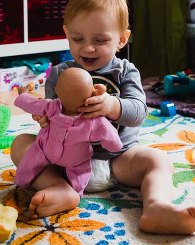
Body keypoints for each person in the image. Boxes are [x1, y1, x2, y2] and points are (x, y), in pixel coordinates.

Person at [10, 0, 195, 234]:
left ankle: (157, 207)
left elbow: (138, 113)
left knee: (159, 160)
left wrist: (111, 105)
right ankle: (60, 188)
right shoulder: (59, 73)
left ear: (122, 39)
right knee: (21, 144)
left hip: (119, 160)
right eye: (77, 39)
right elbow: (52, 112)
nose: (87, 48)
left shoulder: (125, 71)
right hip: (65, 162)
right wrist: (44, 119)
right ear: (66, 33)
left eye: (100, 40)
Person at [13, 67, 123, 195]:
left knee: (30, 161)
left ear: (56, 90)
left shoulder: (50, 106)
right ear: (91, 94)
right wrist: (114, 146)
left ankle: (24, 182)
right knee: (80, 175)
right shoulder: (93, 120)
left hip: (47, 151)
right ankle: (76, 192)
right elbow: (110, 136)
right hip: (75, 160)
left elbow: (30, 104)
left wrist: (23, 94)